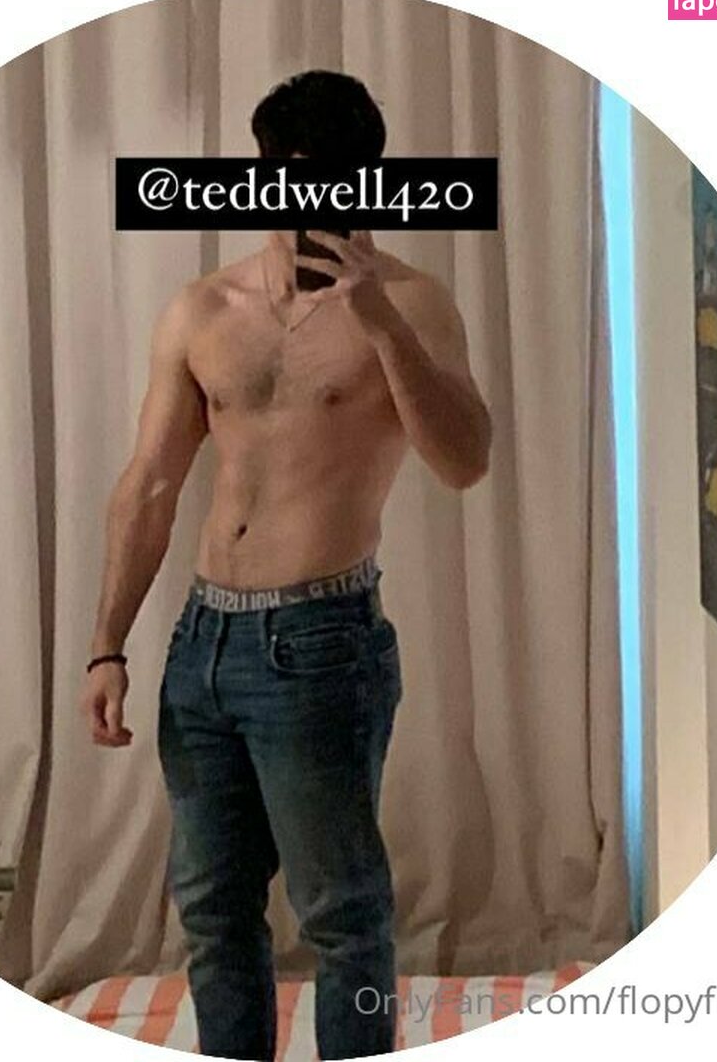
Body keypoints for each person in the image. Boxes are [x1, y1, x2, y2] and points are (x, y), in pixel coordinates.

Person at [81, 70, 491, 1060]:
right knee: (212, 908)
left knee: (341, 912)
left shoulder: (413, 304)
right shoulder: (204, 308)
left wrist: (380, 323)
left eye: (330, 182)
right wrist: (106, 644)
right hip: (203, 642)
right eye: (286, 178)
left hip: (322, 640)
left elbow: (465, 460)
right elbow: (148, 485)